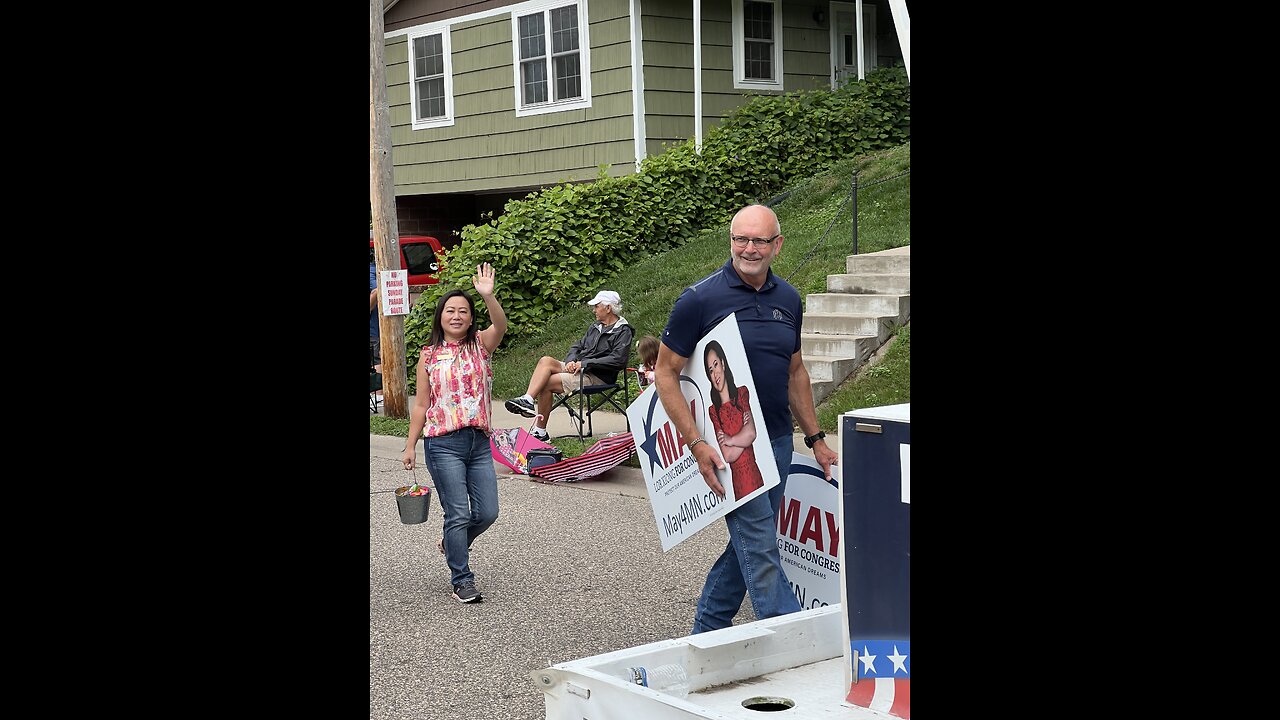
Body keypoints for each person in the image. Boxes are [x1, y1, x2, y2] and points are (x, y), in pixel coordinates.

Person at [653, 203, 839, 634]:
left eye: (759, 240)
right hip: (728, 449)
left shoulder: (789, 299)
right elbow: (666, 372)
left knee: (747, 550)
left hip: (775, 443)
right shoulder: (699, 299)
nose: (749, 248)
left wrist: (815, 439)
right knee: (761, 550)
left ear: (778, 245)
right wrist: (696, 442)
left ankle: (706, 633)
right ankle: (798, 642)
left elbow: (795, 372)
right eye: (741, 239)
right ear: (731, 241)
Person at [402, 263, 508, 604]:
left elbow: (501, 326)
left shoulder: (480, 345)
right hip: (442, 443)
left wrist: (487, 297)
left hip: (478, 442)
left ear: (470, 318)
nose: (457, 315)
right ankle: (462, 578)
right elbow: (421, 405)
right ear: (441, 316)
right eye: (451, 310)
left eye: (464, 311)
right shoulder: (429, 356)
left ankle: (452, 541)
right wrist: (409, 445)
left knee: (487, 512)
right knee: (458, 514)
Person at [504, 290, 634, 441]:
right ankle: (527, 399)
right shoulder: (596, 327)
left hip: (597, 377)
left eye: (597, 306)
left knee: (545, 383)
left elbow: (618, 360)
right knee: (545, 361)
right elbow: (577, 346)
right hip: (580, 368)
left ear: (608, 308)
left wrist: (585, 363)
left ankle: (540, 432)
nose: (594, 310)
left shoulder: (623, 331)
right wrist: (571, 361)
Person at [703, 340, 764, 500]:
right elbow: (728, 456)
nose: (715, 374)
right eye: (710, 370)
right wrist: (742, 438)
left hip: (754, 474)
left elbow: (751, 434)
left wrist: (730, 439)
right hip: (738, 482)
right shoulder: (714, 411)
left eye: (715, 365)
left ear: (723, 364)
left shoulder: (742, 393)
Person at [370, 250, 382, 401]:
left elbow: (375, 293)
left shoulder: (371, 272)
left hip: (373, 330)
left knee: (376, 362)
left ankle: (379, 401)